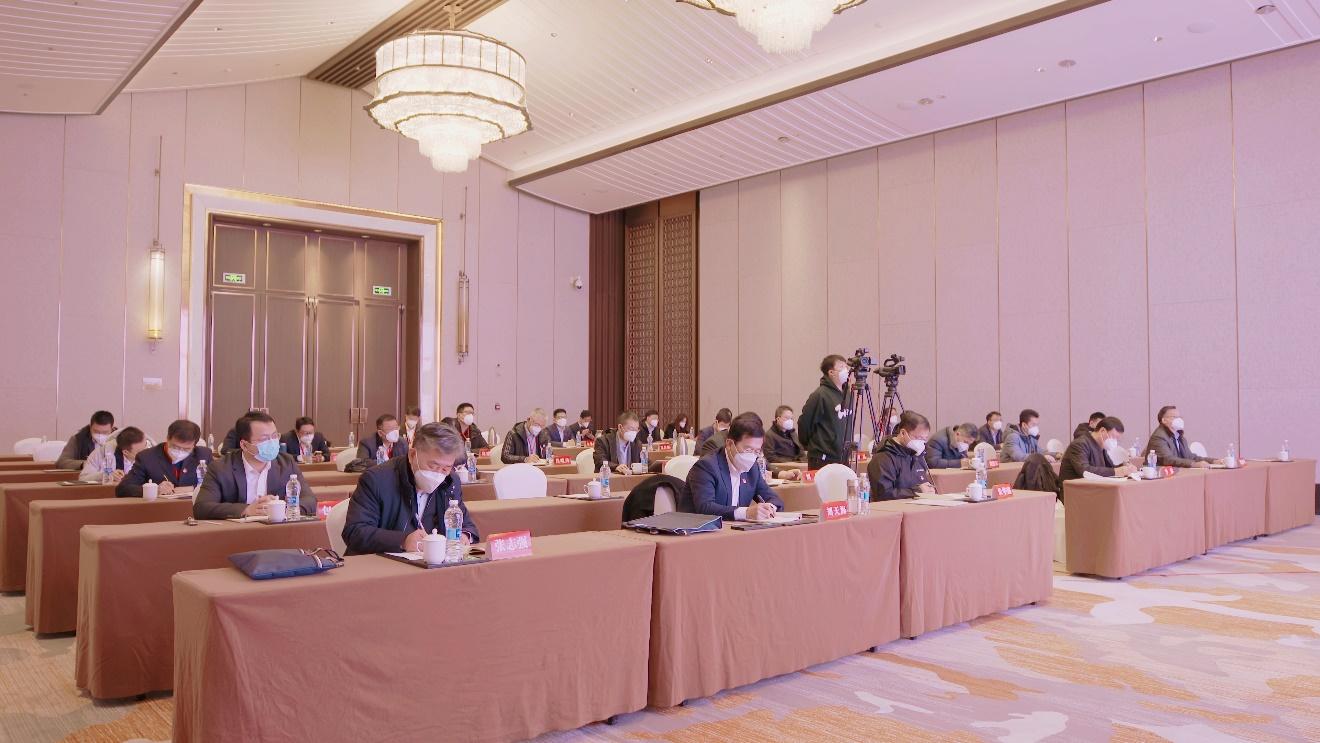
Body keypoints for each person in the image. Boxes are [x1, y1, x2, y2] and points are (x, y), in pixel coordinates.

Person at [342, 422, 478, 556]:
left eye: (446, 468)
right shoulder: (377, 479)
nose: (438, 474)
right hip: (380, 563)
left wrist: (464, 536)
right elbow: (355, 532)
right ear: (412, 455)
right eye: (433, 466)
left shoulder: (450, 482)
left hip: (430, 563)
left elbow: (466, 524)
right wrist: (403, 541)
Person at [193, 411, 316, 520]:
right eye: (264, 439)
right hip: (237, 534)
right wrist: (246, 510)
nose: (272, 443)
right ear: (244, 445)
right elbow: (202, 508)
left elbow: (310, 500)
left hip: (277, 533)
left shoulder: (286, 463)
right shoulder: (221, 468)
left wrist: (282, 508)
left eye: (274, 436)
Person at [681, 412, 784, 521]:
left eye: (757, 451)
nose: (752, 456)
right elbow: (705, 508)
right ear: (730, 444)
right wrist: (745, 513)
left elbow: (774, 499)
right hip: (697, 528)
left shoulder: (752, 469)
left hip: (734, 529)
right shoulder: (706, 466)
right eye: (748, 450)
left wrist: (769, 508)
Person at [117, 419, 213, 498]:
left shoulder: (203, 455)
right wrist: (155, 490)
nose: (180, 452)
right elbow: (123, 489)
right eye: (175, 447)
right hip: (159, 509)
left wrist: (192, 488)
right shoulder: (147, 457)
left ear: (194, 445)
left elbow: (215, 484)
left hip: (194, 508)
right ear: (167, 438)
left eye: (186, 449)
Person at [1058, 416, 1136, 501]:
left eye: (1117, 439)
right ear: (1102, 431)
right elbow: (1085, 471)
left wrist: (1124, 467)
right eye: (1113, 437)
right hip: (1074, 493)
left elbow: (1109, 468)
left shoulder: (1101, 446)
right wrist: (1116, 471)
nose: (1115, 442)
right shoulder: (1080, 444)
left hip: (1092, 490)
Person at [868, 411, 936, 501]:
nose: (921, 442)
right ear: (903, 433)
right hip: (891, 508)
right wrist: (916, 491)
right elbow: (883, 494)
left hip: (916, 505)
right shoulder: (882, 458)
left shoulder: (917, 455)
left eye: (924, 438)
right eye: (918, 438)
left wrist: (928, 489)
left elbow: (920, 483)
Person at [798, 354, 851, 470]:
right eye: (842, 367)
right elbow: (804, 423)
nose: (846, 370)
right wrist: (814, 446)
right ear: (831, 372)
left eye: (846, 367)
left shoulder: (847, 394)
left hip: (843, 456)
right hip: (823, 458)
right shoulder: (820, 395)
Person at [1145, 406, 1219, 468]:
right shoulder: (1159, 436)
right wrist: (1193, 464)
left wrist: (1214, 461)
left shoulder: (1179, 437)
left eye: (1179, 417)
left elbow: (1191, 457)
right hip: (1160, 474)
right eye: (1174, 417)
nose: (1179, 420)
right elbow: (1168, 459)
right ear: (1164, 420)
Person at [78, 426, 148, 483]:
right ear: (125, 452)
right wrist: (107, 475)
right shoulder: (102, 452)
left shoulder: (150, 451)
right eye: (140, 451)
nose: (146, 451)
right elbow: (83, 478)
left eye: (146, 445)